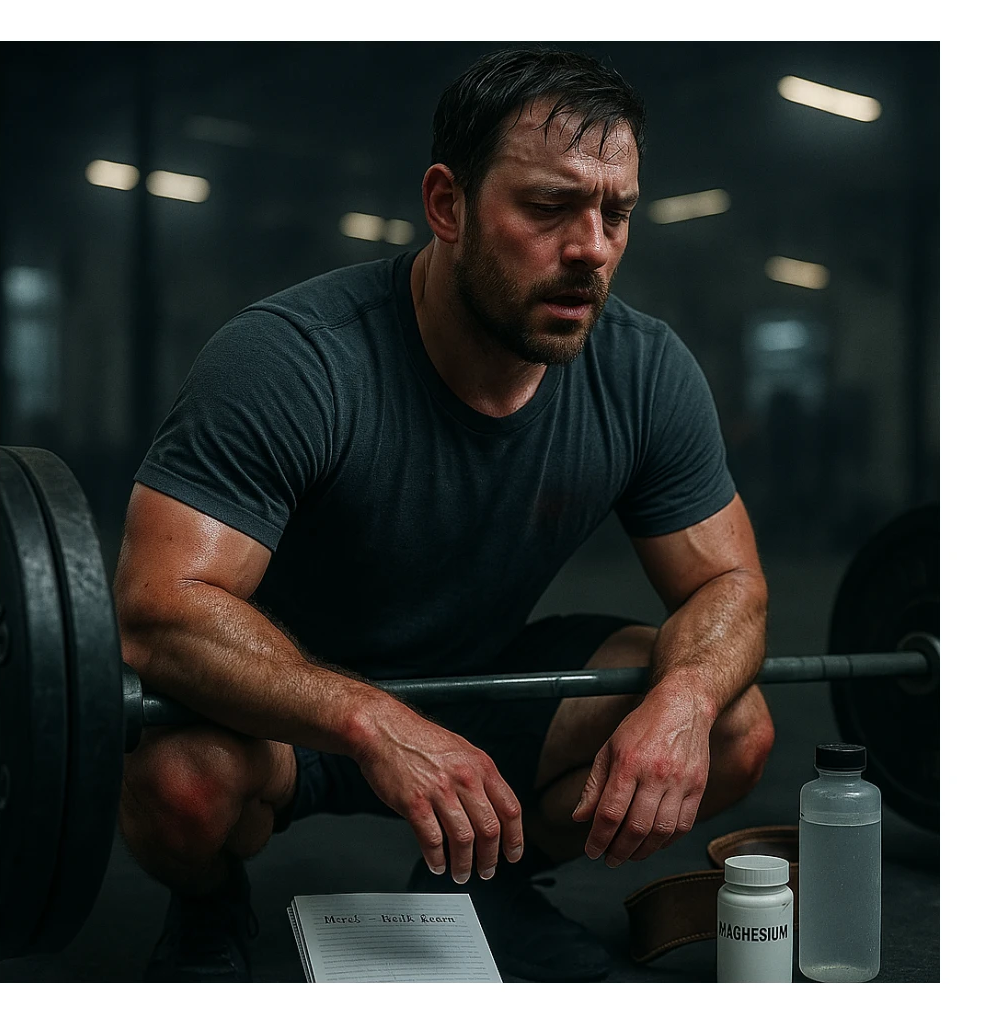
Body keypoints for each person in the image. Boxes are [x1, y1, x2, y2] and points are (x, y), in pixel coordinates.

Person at [114, 46, 775, 983]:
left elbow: (729, 581)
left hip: (487, 693)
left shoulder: (643, 370)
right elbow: (159, 610)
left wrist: (683, 700)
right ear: (448, 205)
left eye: (615, 212)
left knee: (733, 724)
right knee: (180, 787)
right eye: (549, 207)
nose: (590, 246)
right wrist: (370, 720)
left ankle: (484, 879)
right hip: (279, 714)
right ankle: (211, 903)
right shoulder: (291, 361)